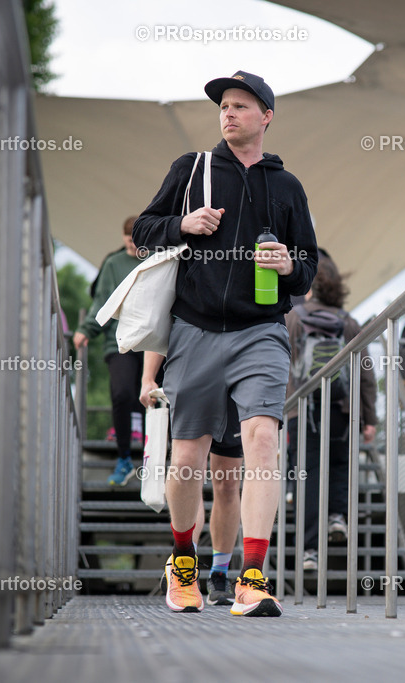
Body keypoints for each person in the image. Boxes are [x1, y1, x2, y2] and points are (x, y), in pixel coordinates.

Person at [132, 70, 318, 615]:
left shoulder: (287, 188)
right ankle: (184, 561)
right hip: (194, 328)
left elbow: (307, 268)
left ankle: (252, 577)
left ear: (266, 117)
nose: (229, 113)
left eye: (240, 105)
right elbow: (145, 228)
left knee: (263, 438)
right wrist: (182, 225)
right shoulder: (190, 170)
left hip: (261, 330)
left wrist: (288, 265)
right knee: (188, 453)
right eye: (224, 106)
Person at [285, 258, 377, 570]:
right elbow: (365, 374)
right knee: (340, 464)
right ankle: (337, 516)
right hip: (342, 408)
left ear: (311, 284)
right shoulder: (349, 322)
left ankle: (310, 550)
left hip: (302, 408)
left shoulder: (293, 318)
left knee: (306, 476)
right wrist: (369, 419)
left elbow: (280, 364)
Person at [141, 353, 244, 607]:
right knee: (189, 472)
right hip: (192, 368)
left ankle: (219, 575)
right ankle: (186, 563)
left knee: (228, 482)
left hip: (235, 373)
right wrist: (148, 377)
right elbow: (158, 314)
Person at [73, 216, 144, 486]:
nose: (133, 242)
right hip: (120, 340)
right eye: (129, 238)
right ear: (123, 238)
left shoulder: (156, 261)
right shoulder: (114, 264)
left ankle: (156, 461)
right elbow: (102, 302)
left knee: (154, 398)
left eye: (137, 237)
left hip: (151, 343)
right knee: (122, 392)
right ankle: (124, 457)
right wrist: (87, 329)